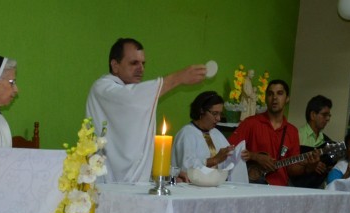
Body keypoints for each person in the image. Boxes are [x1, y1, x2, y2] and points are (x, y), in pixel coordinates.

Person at [85, 38, 206, 183]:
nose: (141, 68)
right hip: (107, 183)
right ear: (115, 65)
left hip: (136, 184)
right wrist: (177, 78)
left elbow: (138, 147)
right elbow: (130, 98)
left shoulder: (138, 95)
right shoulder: (103, 88)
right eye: (134, 63)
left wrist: (168, 172)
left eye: (143, 63)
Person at [228, 79, 318, 186]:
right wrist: (255, 156)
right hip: (253, 185)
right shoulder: (251, 123)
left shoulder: (292, 131)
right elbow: (229, 150)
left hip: (280, 188)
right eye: (270, 94)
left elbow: (291, 169)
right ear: (266, 98)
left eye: (280, 93)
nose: (274, 98)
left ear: (287, 98)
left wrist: (308, 167)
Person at [171, 91, 233, 176]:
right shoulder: (187, 133)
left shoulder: (216, 133)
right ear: (201, 110)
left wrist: (238, 155)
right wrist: (214, 160)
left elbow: (227, 160)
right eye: (215, 113)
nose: (218, 118)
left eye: (220, 114)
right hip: (192, 186)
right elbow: (186, 168)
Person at [292, 94, 334, 188]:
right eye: (324, 115)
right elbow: (289, 164)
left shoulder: (326, 141)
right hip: (295, 187)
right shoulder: (296, 135)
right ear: (313, 115)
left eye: (329, 116)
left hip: (317, 188)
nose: (327, 119)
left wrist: (326, 168)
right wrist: (310, 164)